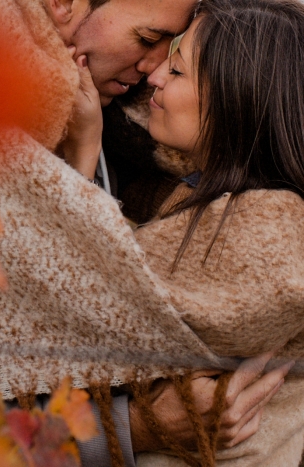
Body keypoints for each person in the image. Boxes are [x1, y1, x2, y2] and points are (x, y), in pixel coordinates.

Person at [66, 0, 304, 464]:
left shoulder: (268, 228)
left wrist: (81, 157)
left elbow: (84, 312)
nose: (153, 76)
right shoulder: (194, 195)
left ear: (237, 95)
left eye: (175, 70)